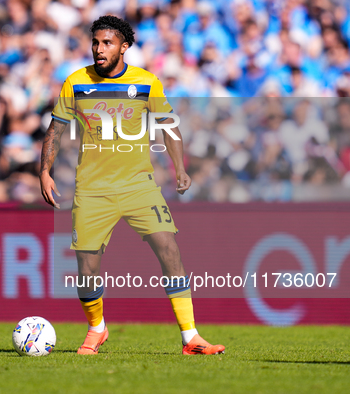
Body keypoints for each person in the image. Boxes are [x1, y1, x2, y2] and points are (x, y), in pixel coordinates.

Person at [39, 15, 225, 356]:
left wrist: (180, 166)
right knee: (87, 270)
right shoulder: (75, 83)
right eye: (95, 42)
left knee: (169, 250)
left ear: (124, 47)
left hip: (139, 186)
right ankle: (97, 329)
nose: (98, 49)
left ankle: (191, 338)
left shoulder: (146, 82)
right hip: (93, 190)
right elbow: (56, 129)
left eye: (107, 43)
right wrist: (45, 171)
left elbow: (168, 124)